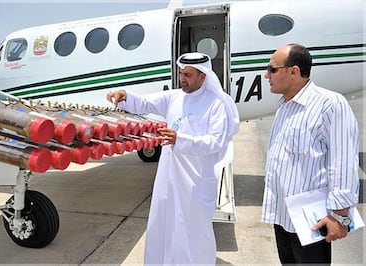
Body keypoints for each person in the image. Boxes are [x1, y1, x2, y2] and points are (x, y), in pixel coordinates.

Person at [107, 52, 239, 264]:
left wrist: (180, 139)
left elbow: (216, 142)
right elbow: (145, 103)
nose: (182, 78)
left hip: (195, 181)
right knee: (164, 226)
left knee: (193, 232)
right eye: (181, 73)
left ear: (202, 76)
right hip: (168, 179)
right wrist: (125, 96)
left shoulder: (216, 104)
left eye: (188, 74)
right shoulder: (175, 97)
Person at [261, 43, 359, 265]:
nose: (267, 75)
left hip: (311, 221)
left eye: (272, 69)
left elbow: (343, 161)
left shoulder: (330, 104)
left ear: (293, 71)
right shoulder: (284, 107)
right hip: (283, 218)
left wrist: (340, 216)